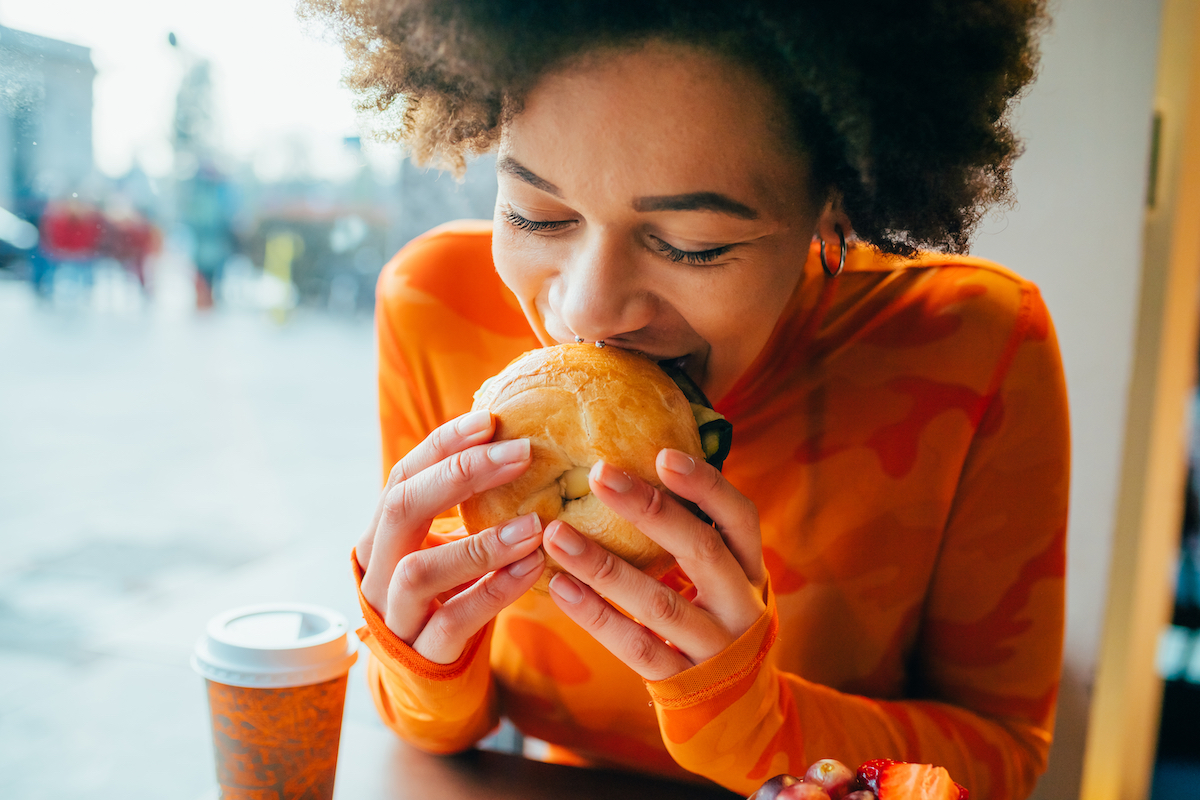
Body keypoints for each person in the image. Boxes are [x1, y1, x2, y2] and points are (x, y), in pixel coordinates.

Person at [302, 2, 1066, 798]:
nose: (589, 310)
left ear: (833, 197)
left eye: (693, 245)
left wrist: (754, 720)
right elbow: (442, 731)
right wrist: (422, 659)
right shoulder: (434, 307)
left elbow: (1006, 755)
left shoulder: (974, 346)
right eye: (536, 213)